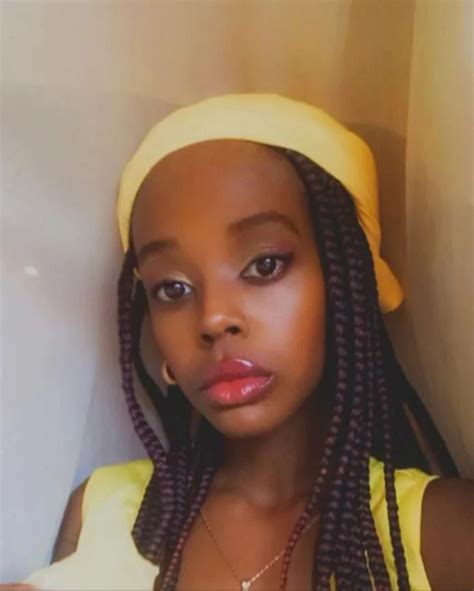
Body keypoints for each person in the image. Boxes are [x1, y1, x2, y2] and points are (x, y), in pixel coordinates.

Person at [6, 94, 474, 590]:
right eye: (173, 289)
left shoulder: (445, 535)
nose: (213, 318)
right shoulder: (104, 513)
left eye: (264, 265)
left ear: (346, 286)